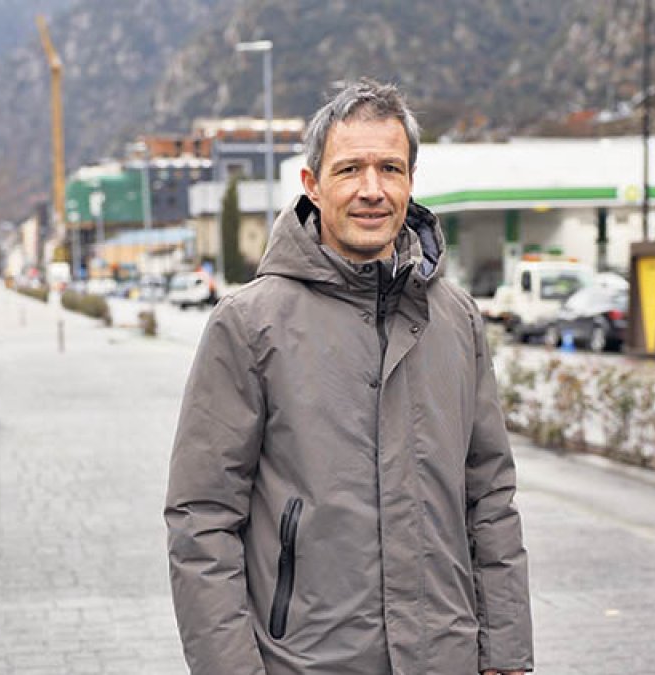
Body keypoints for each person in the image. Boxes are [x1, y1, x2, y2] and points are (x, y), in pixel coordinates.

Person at [165, 79, 533, 674]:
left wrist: (506, 651)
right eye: (349, 170)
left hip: (445, 657)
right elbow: (201, 520)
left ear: (411, 181)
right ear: (312, 184)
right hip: (306, 662)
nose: (372, 190)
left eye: (389, 168)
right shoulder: (250, 324)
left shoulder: (456, 319)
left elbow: (489, 495)